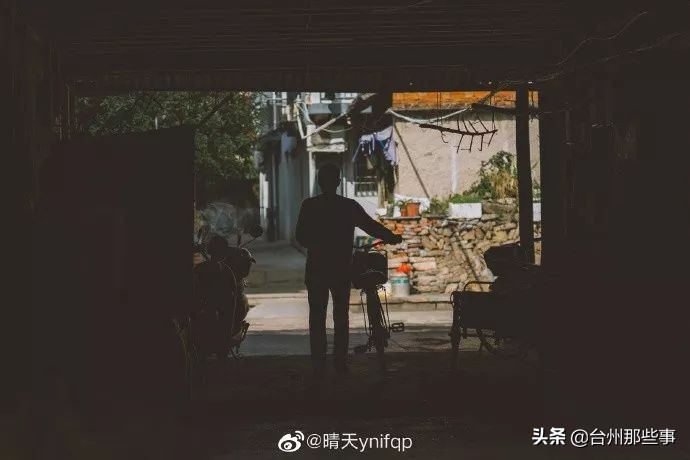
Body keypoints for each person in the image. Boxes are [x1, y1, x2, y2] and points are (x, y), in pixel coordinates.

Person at [295, 163, 402, 376]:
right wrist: (390, 237)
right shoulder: (348, 206)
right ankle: (340, 363)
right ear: (338, 182)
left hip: (316, 268)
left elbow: (300, 237)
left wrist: (319, 244)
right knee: (341, 317)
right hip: (341, 268)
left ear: (319, 182)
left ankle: (318, 364)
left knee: (317, 317)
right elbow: (370, 225)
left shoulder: (309, 205)